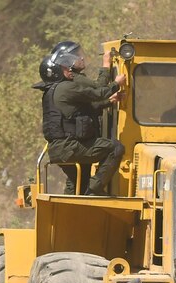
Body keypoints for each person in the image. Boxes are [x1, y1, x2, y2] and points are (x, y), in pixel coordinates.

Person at [42, 40, 126, 195]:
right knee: (115, 147)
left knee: (77, 183)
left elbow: (87, 108)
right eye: (65, 67)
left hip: (59, 149)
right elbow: (98, 92)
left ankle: (67, 211)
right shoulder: (69, 85)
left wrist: (109, 101)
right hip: (70, 147)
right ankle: (93, 191)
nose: (69, 69)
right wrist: (115, 83)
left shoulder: (53, 90)